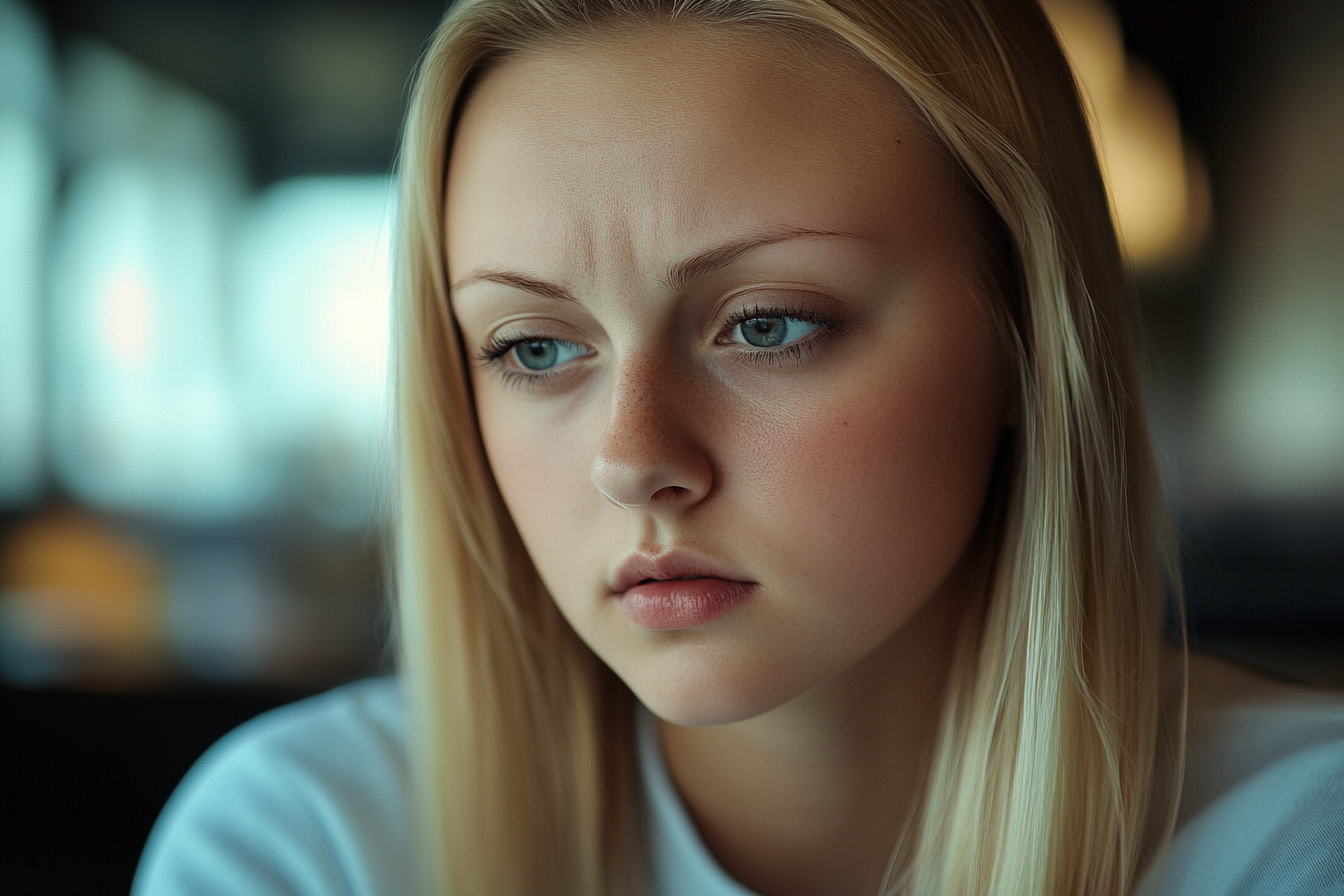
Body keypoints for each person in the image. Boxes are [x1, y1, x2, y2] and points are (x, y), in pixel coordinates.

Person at [132, 0, 1344, 894]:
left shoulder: (1300, 840)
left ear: (1029, 337)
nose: (633, 457)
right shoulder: (307, 845)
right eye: (536, 348)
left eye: (767, 325)